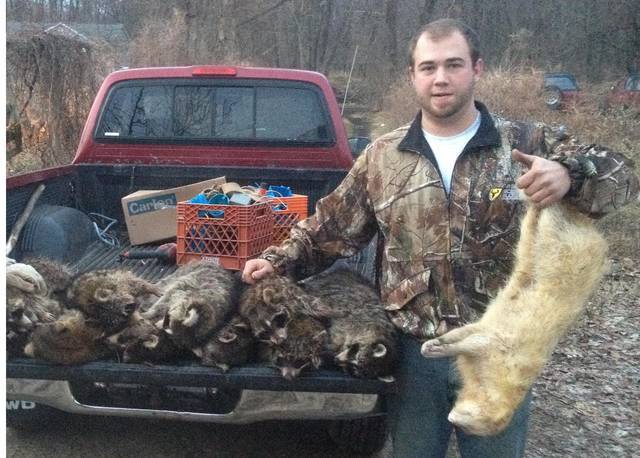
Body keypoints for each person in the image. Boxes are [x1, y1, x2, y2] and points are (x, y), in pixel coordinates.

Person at [242, 18, 639, 458]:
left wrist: (570, 175)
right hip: (416, 353)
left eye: (454, 65)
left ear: (476, 68)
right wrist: (277, 261)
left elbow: (623, 177)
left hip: (499, 349)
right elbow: (330, 228)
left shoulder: (526, 143)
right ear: (412, 75)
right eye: (428, 67)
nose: (441, 78)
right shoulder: (384, 157)